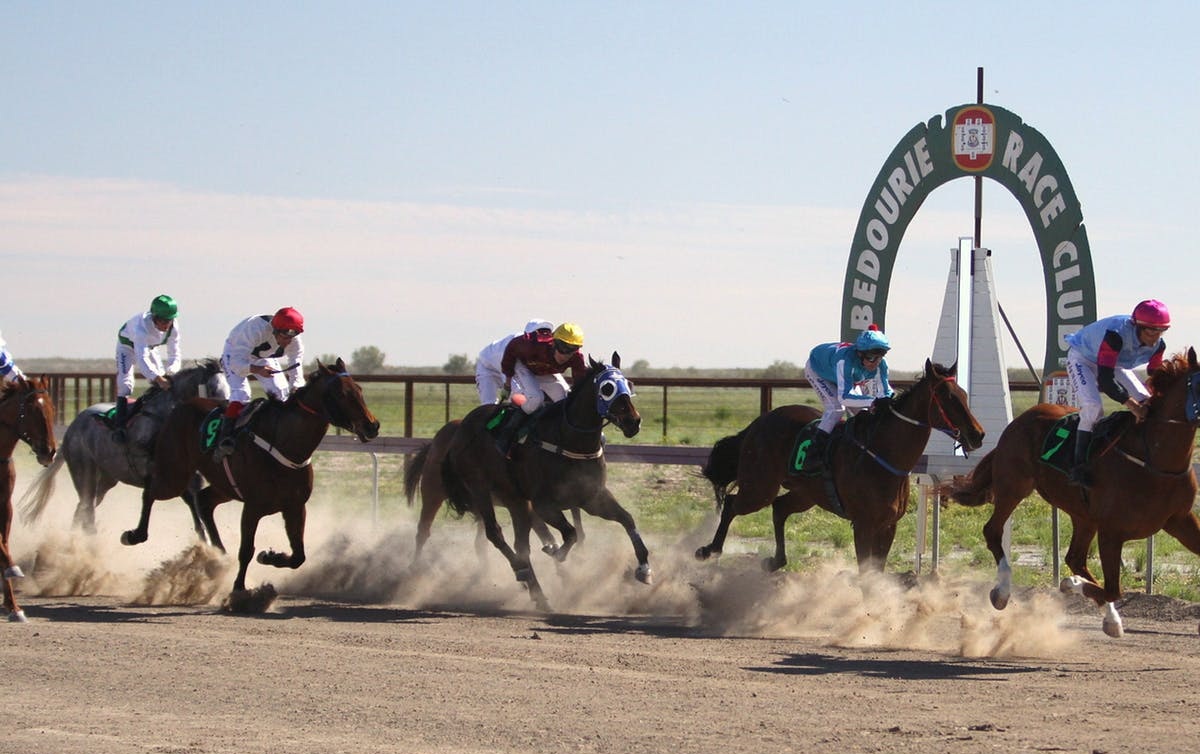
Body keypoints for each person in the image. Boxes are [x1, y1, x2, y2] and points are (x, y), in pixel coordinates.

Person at [1063, 299, 1169, 487]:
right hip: (1083, 359)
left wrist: (1155, 399)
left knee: (1145, 399)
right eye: (1150, 330)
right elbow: (1106, 380)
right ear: (1138, 326)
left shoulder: (1159, 346)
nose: (1155, 337)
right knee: (1093, 407)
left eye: (1160, 331)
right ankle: (1078, 467)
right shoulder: (1116, 336)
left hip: (1115, 362)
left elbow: (1155, 376)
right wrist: (1133, 406)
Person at [213, 307, 306, 458]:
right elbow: (237, 363)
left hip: (263, 356)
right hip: (235, 354)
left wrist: (295, 387)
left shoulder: (294, 340)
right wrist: (256, 369)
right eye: (285, 336)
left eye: (292, 337)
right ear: (275, 330)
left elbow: (296, 366)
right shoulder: (255, 329)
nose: (288, 341)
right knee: (242, 394)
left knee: (281, 393)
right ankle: (225, 439)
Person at [802, 324, 895, 471]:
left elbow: (885, 390)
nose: (875, 362)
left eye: (880, 356)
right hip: (819, 370)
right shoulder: (845, 361)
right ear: (860, 353)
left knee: (865, 411)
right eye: (871, 357)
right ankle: (813, 454)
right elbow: (844, 397)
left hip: (843, 376)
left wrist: (888, 400)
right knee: (836, 409)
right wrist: (875, 401)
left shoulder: (880, 365)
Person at [493, 322, 588, 455]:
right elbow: (511, 349)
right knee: (536, 398)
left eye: (572, 350)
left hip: (545, 371)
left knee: (565, 401)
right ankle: (507, 434)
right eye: (563, 348)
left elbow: (579, 383)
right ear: (554, 343)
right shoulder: (531, 345)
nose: (566, 355)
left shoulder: (577, 358)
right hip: (524, 365)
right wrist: (508, 383)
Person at [112, 294, 182, 442]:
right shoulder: (141, 328)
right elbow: (142, 359)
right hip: (128, 347)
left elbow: (174, 354)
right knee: (126, 384)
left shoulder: (173, 327)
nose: (166, 325)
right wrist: (157, 379)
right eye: (162, 321)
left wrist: (171, 373)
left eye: (169, 320)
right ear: (154, 317)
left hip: (150, 347)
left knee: (163, 375)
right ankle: (119, 427)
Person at [475, 319, 553, 404]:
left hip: (504, 365)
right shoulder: (512, 349)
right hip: (488, 368)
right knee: (489, 403)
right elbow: (510, 379)